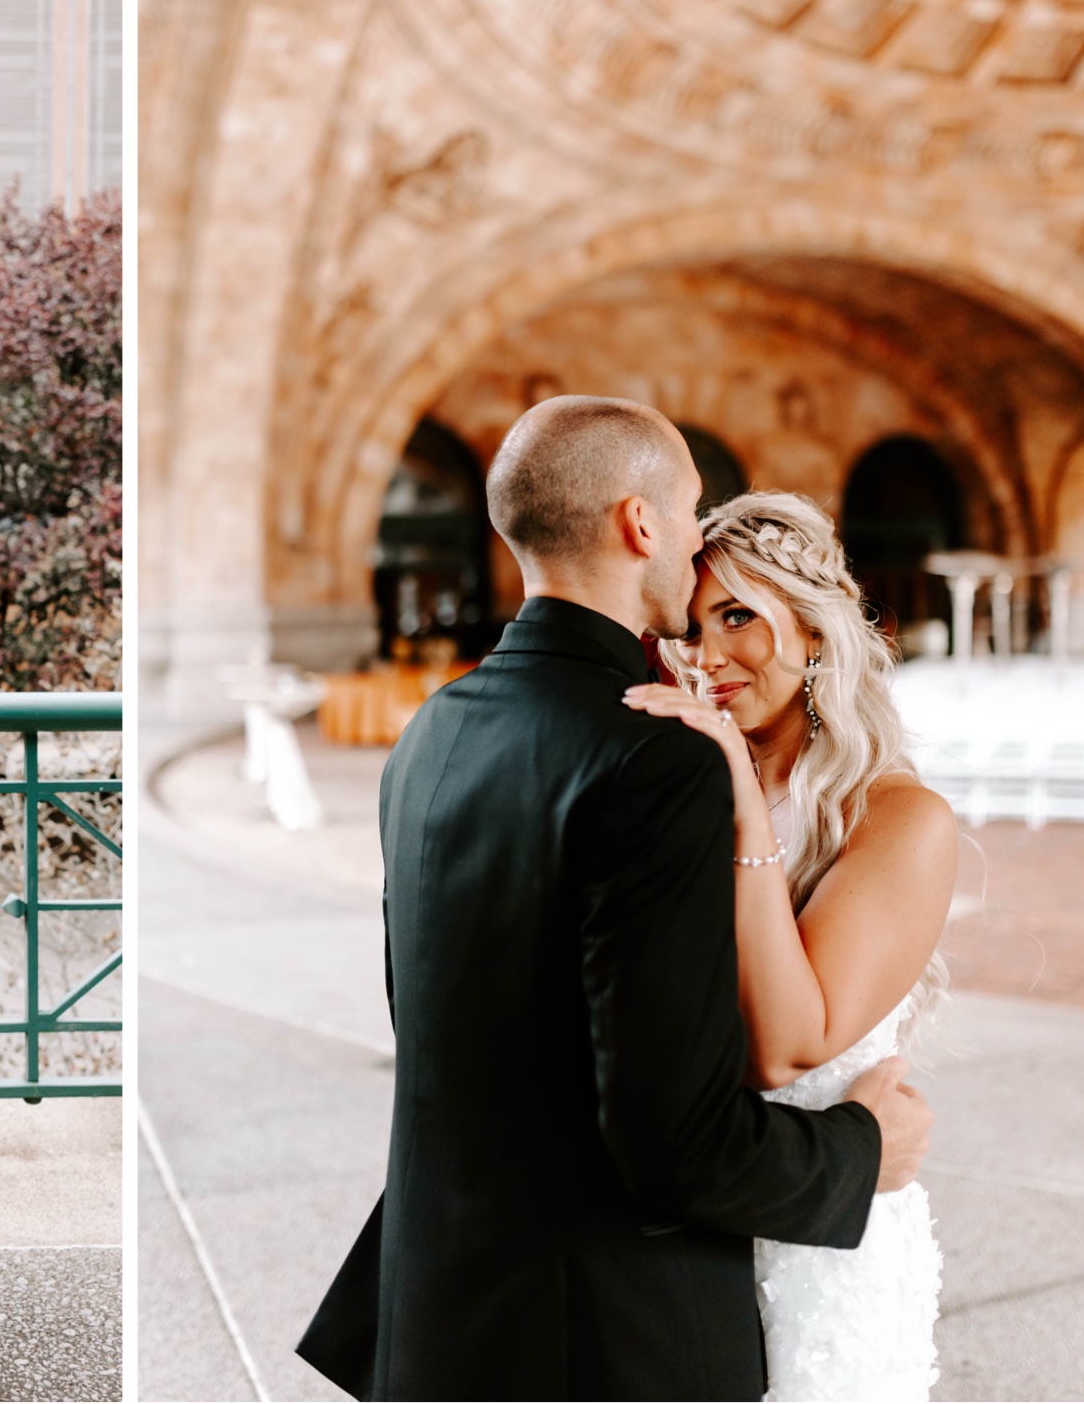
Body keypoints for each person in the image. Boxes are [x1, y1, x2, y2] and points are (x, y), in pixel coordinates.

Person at [296, 396, 934, 1401]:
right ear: (641, 525)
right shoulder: (656, 761)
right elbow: (670, 1141)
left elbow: (452, 1033)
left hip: (444, 1308)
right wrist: (858, 1150)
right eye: (688, 513)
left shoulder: (433, 730)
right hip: (604, 1331)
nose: (693, 542)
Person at [625, 490, 954, 1400]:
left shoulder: (899, 819)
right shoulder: (676, 783)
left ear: (813, 631)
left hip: (825, 1248)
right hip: (683, 1233)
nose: (709, 654)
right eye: (690, 626)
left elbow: (784, 1044)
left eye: (739, 615)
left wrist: (735, 786)